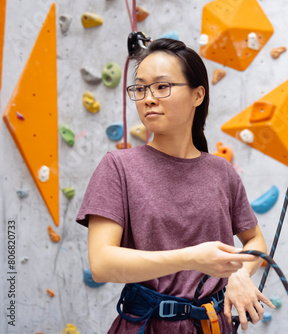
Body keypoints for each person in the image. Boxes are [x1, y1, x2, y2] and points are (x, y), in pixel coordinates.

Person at [76, 38, 274, 334]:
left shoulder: (222, 171)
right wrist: (193, 258)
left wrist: (240, 274)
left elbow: (255, 242)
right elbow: (102, 263)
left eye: (162, 86)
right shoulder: (118, 167)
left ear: (197, 95)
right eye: (140, 88)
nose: (148, 98)